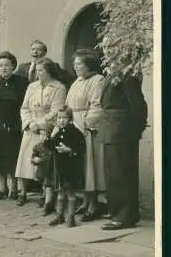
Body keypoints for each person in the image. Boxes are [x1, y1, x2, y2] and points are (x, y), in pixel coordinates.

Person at [97, 63, 148, 230]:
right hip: (110, 130)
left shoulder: (127, 76)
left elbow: (138, 104)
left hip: (122, 131)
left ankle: (124, 216)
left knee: (121, 174)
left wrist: (135, 129)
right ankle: (118, 212)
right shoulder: (111, 74)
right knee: (113, 174)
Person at [15, 57, 67, 207]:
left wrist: (40, 124)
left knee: (44, 161)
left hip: (45, 128)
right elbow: (24, 108)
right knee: (25, 160)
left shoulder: (59, 88)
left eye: (41, 70)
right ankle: (22, 192)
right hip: (30, 127)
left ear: (49, 71)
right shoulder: (32, 87)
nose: (38, 74)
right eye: (36, 70)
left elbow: (56, 110)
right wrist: (29, 123)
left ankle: (45, 194)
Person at [65, 49, 105, 222]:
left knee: (90, 167)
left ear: (89, 64)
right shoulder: (76, 82)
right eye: (74, 64)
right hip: (74, 126)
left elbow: (97, 105)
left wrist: (86, 124)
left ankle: (93, 204)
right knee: (79, 166)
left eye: (79, 64)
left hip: (87, 129)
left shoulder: (98, 80)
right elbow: (68, 105)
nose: (75, 67)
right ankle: (85, 200)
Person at [0, 51, 28, 200]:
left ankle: (14, 187)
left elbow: (25, 104)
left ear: (13, 66)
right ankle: (3, 187)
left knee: (13, 155)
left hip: (15, 121)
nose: (3, 68)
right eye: (1, 65)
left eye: (7, 65)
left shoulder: (22, 82)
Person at [42, 106, 86, 228]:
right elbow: (53, 145)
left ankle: (71, 217)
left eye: (64, 118)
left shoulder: (76, 133)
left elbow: (82, 148)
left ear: (70, 119)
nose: (61, 121)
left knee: (71, 193)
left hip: (71, 168)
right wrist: (47, 140)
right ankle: (60, 215)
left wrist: (70, 150)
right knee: (60, 193)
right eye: (59, 118)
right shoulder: (58, 133)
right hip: (60, 168)